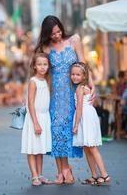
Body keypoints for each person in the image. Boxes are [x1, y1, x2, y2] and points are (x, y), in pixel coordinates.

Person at [34, 15, 95, 184]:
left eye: (59, 31)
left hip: (73, 92)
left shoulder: (74, 40)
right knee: (56, 130)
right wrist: (32, 94)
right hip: (53, 94)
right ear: (47, 34)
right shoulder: (45, 47)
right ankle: (61, 171)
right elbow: (41, 71)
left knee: (69, 129)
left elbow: (83, 63)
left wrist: (91, 83)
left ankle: (66, 168)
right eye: (53, 33)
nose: (57, 36)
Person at [71, 62, 111, 186]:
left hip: (84, 117)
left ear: (84, 76)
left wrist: (76, 125)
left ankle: (104, 174)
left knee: (92, 147)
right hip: (88, 115)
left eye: (78, 74)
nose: (75, 77)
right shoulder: (85, 87)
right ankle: (94, 175)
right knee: (87, 148)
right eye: (72, 74)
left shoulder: (80, 88)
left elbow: (79, 108)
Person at [21, 53, 52, 186]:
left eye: (45, 64)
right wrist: (35, 123)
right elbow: (30, 104)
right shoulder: (33, 82)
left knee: (40, 149)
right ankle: (34, 176)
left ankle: (40, 174)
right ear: (34, 66)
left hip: (45, 117)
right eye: (39, 64)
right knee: (32, 148)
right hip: (35, 118)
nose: (42, 67)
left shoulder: (47, 80)